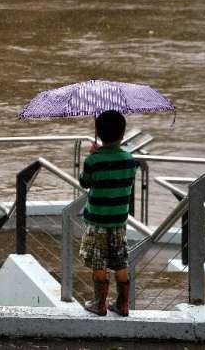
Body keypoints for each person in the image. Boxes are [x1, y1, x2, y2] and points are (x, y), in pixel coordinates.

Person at [78, 109, 137, 316]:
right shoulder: (130, 160)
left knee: (98, 260)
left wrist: (93, 155)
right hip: (119, 221)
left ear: (99, 134)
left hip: (97, 221)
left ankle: (99, 303)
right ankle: (123, 304)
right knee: (120, 260)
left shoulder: (93, 161)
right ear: (122, 134)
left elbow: (85, 182)